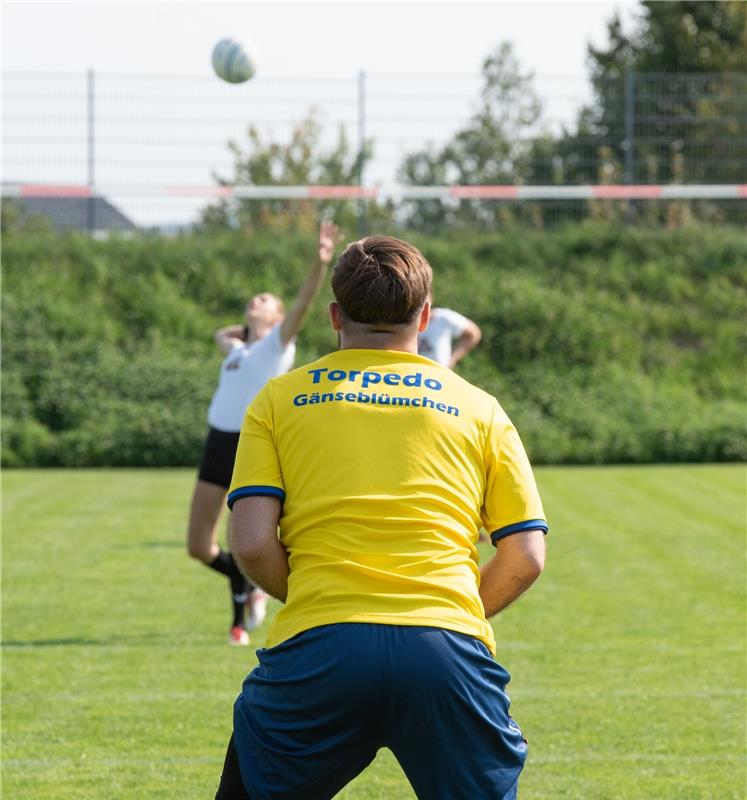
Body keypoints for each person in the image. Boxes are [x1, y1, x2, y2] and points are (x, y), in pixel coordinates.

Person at [216, 235, 548, 798]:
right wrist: (448, 612)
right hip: (446, 653)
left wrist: (321, 598)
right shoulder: (481, 408)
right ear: (423, 316)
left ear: (334, 315)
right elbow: (526, 554)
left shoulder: (277, 399)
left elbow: (250, 544)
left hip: (320, 646)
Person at [186, 220, 340, 646]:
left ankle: (238, 622)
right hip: (216, 440)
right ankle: (252, 585)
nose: (255, 299)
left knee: (242, 541)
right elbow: (221, 334)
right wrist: (249, 330)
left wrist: (320, 262)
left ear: (276, 319)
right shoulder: (239, 350)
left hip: (248, 443)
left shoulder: (277, 347)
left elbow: (305, 305)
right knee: (199, 546)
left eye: (265, 300)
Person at [417, 303, 482, 367]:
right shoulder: (410, 319)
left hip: (440, 372)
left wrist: (453, 359)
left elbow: (474, 333)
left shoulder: (443, 317)